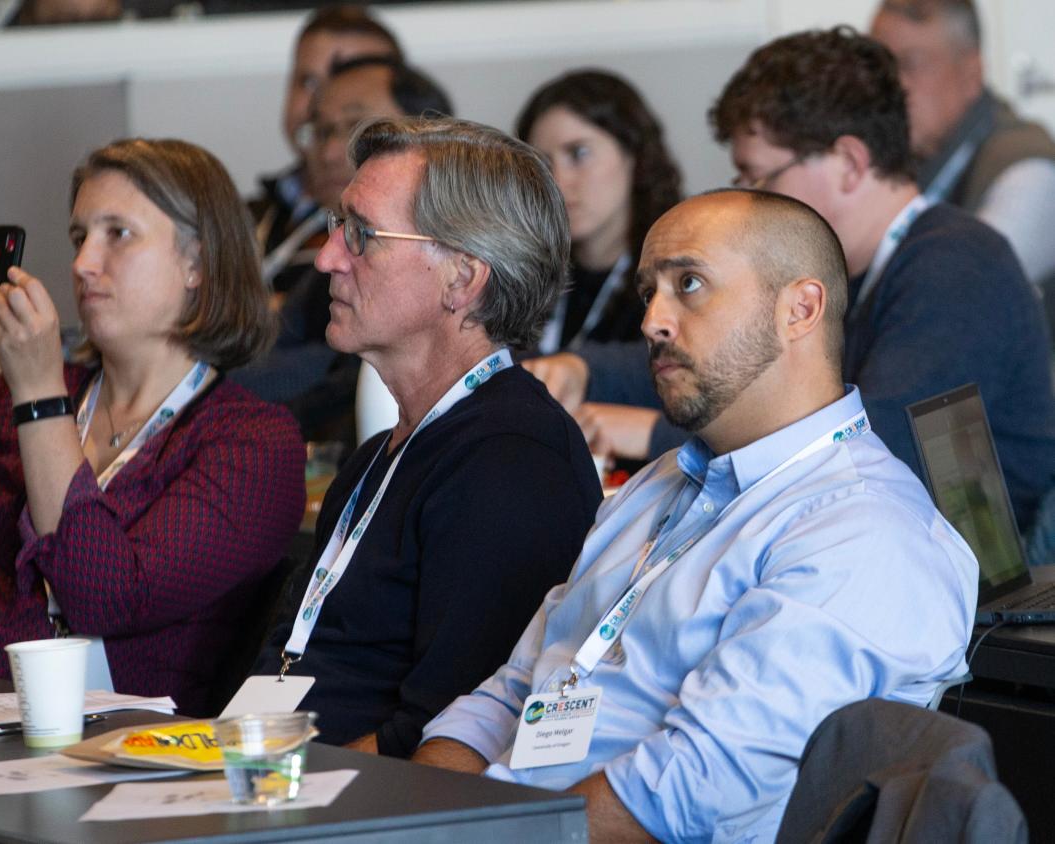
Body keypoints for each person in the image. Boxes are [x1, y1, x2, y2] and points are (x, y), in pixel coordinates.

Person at [415, 189, 978, 843]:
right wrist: (421, 818)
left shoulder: (863, 533)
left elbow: (687, 790)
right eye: (649, 291)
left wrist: (466, 835)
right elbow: (515, 689)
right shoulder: (656, 486)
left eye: (689, 284)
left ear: (800, 308)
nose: (653, 319)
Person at [0, 138, 306, 716]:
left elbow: (104, 598)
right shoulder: (6, 399)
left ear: (197, 262)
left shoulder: (254, 444)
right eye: (80, 238)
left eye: (117, 234)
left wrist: (41, 399)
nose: (82, 264)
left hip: (110, 743)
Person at [527, 27, 1055, 534]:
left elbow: (870, 445)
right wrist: (583, 369)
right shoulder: (864, 267)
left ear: (849, 163)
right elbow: (730, 357)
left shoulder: (959, 266)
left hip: (973, 595)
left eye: (759, 178)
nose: (750, 199)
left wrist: (649, 434)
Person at [249, 116, 602, 759]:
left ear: (462, 279)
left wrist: (252, 794)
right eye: (336, 228)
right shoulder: (380, 457)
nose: (329, 258)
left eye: (362, 235)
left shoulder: (513, 465)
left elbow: (447, 744)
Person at [232, 56, 453, 449]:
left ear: (429, 131)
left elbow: (341, 380)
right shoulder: (335, 258)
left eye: (355, 127)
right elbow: (267, 352)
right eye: (321, 131)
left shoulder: (453, 257)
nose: (331, 151)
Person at [871, 0, 1055, 288]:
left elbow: (959, 290)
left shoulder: (1027, 168)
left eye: (910, 64)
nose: (887, 86)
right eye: (877, 67)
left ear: (971, 73)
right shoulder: (896, 154)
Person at [516, 69, 681, 354]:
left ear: (634, 155)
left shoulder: (680, 268)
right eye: (542, 163)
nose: (557, 181)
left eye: (579, 154)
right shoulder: (523, 276)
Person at [252, 4, 403, 293]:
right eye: (308, 82)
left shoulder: (404, 235)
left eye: (350, 78)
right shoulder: (245, 217)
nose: (321, 102)